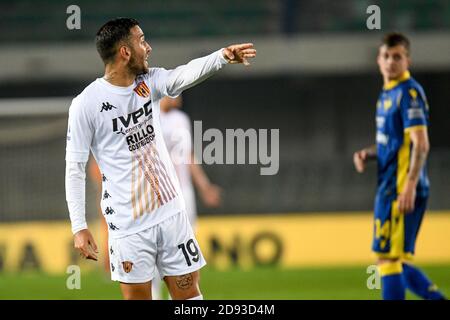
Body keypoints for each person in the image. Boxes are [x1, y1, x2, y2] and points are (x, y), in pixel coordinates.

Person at [65, 17, 256, 300]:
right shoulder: (86, 104)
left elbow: (184, 74)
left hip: (171, 215)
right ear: (125, 52)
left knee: (189, 295)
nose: (149, 47)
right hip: (128, 227)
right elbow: (75, 168)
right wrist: (79, 226)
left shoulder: (150, 82)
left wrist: (221, 57)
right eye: (142, 40)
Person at [353, 32, 446, 300]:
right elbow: (392, 143)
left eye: (397, 57)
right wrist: (368, 154)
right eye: (386, 56)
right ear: (378, 60)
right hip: (389, 186)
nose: (391, 62)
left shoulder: (409, 92)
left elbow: (421, 143)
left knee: (388, 259)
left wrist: (410, 186)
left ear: (408, 60)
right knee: (396, 261)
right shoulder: (386, 95)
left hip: (401, 188)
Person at [150, 95, 222, 299]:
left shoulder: (181, 119)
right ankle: (154, 292)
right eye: (175, 92)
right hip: (159, 193)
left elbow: (188, 155)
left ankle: (183, 292)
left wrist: (204, 186)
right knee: (155, 245)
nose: (179, 96)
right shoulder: (149, 116)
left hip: (183, 191)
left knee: (185, 244)